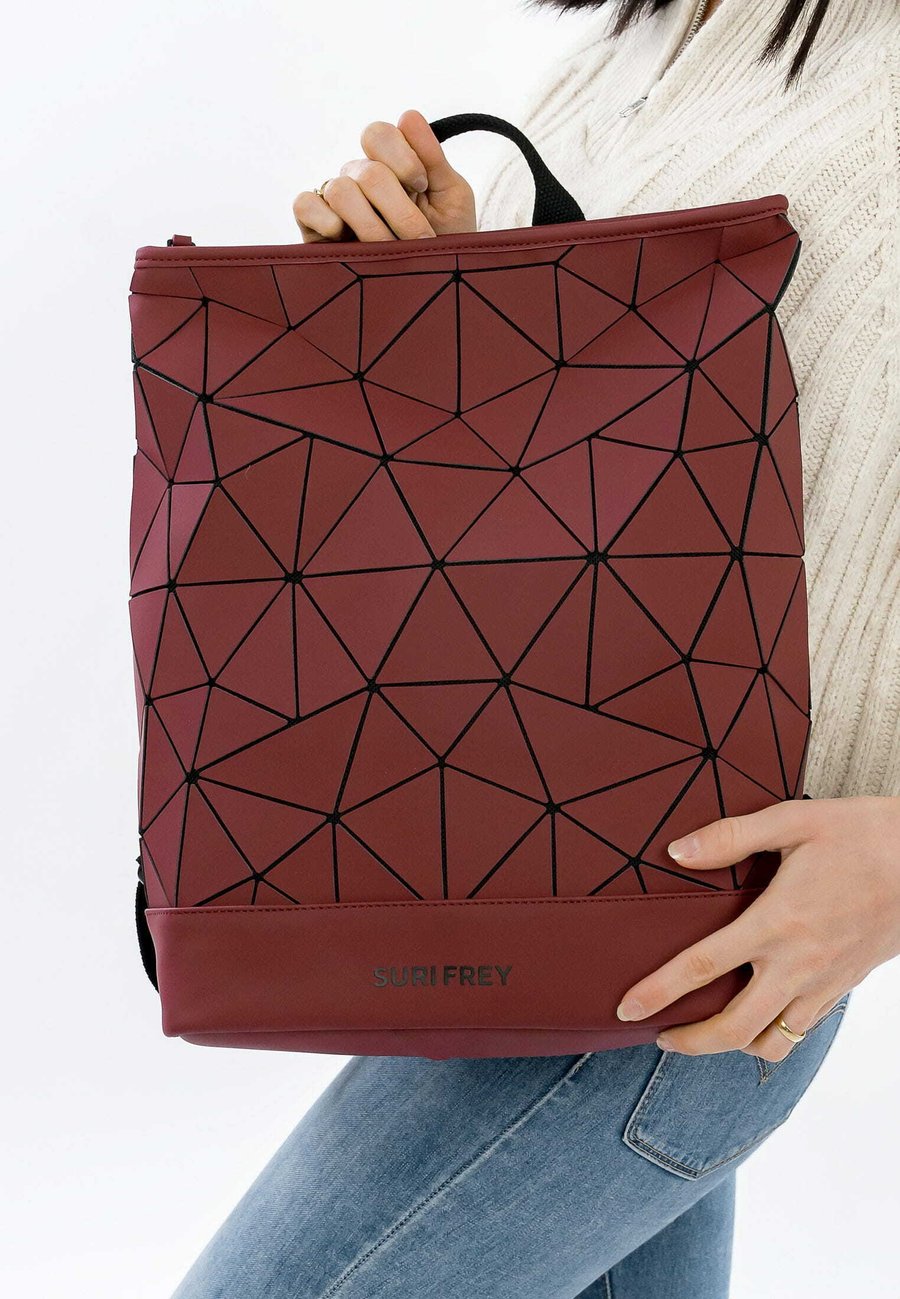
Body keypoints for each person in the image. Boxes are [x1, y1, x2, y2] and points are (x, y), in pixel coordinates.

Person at [171, 2, 899, 1294]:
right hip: (496, 870)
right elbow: (562, 472)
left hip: (692, 934)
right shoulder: (629, 48)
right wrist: (433, 284)